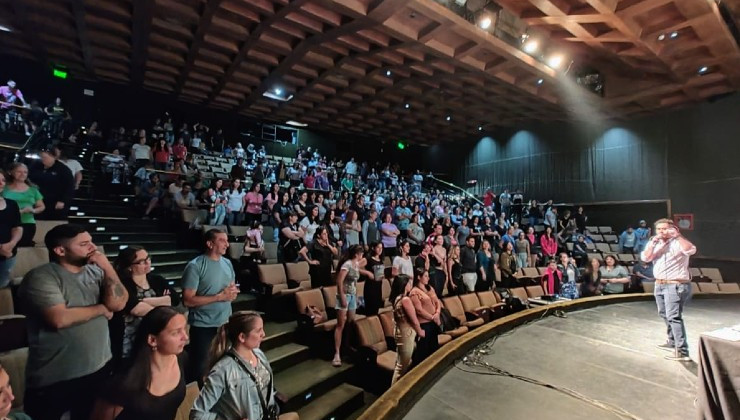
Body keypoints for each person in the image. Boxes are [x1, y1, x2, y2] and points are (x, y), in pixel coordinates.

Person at [18, 224, 129, 420]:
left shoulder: (95, 272)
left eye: (91, 242)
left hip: (98, 368)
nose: (92, 247)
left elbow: (119, 303)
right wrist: (103, 309)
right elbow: (59, 318)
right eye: (84, 244)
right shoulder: (41, 277)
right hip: (56, 377)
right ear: (60, 250)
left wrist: (107, 267)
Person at [191, 311, 298, 420]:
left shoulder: (259, 354)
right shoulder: (222, 370)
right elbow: (197, 414)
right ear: (242, 337)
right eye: (258, 331)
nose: (263, 334)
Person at [90, 307, 188, 420]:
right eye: (176, 333)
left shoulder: (181, 358)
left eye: (184, 329)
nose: (185, 337)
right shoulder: (125, 382)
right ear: (152, 340)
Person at [182, 229, 239, 384]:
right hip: (203, 326)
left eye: (227, 240)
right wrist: (219, 297)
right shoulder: (195, 266)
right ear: (209, 243)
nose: (227, 244)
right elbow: (187, 300)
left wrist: (232, 293)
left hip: (224, 323)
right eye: (222, 240)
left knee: (221, 365)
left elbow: (231, 288)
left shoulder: (227, 263)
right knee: (200, 369)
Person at [111, 246, 178, 368]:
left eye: (148, 258)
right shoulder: (122, 284)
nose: (148, 262)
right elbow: (136, 309)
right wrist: (162, 302)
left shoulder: (157, 280)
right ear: (130, 267)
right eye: (141, 261)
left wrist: (144, 300)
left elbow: (174, 299)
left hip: (155, 339)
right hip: (130, 340)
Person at [640, 218, 696, 361]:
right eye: (659, 229)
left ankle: (682, 351)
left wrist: (677, 236)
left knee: (674, 317)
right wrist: (653, 243)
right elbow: (646, 258)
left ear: (673, 229)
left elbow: (690, 250)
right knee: (663, 313)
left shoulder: (679, 242)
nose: (662, 232)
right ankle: (672, 341)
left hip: (675, 285)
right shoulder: (655, 242)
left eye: (665, 228)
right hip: (659, 284)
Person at [332, 245, 373, 367]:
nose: (362, 255)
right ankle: (337, 353)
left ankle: (347, 345)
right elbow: (339, 281)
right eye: (361, 253)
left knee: (351, 322)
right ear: (356, 254)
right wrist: (343, 296)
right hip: (344, 295)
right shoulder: (347, 264)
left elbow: (355, 280)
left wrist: (356, 295)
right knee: (341, 324)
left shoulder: (355, 265)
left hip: (352, 296)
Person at [390, 274, 425, 385]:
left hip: (400, 332)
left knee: (402, 362)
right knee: (401, 367)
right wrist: (420, 332)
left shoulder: (397, 298)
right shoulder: (405, 300)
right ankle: (393, 395)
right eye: (409, 283)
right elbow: (414, 320)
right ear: (404, 285)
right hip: (406, 334)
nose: (411, 285)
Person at [3, 163, 44, 246]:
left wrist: (33, 210)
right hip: (7, 224)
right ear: (11, 172)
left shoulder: (33, 190)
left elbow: (41, 206)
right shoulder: (4, 189)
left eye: (25, 172)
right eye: (19, 172)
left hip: (27, 223)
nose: (22, 174)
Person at [29, 149, 74, 220]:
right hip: (37, 198)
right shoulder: (36, 166)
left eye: (45, 157)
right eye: (41, 157)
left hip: (54, 201)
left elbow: (69, 187)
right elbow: (29, 178)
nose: (42, 159)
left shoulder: (64, 170)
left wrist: (63, 200)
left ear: (53, 157)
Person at [409, 268, 441, 367]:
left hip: (434, 321)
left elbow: (437, 302)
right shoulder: (414, 292)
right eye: (426, 276)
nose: (428, 278)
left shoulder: (430, 288)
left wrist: (437, 313)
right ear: (419, 277)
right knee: (424, 349)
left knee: (434, 346)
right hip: (424, 323)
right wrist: (432, 317)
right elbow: (419, 310)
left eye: (428, 276)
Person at [0, 172, 22, 288]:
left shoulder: (12, 204)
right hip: (3, 251)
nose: (1, 183)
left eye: (3, 180)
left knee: (2, 287)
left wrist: (11, 244)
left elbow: (17, 227)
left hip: (7, 254)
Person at [364, 242, 386, 316]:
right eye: (378, 247)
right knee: (370, 310)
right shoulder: (368, 259)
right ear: (373, 248)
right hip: (370, 287)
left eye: (381, 248)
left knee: (376, 309)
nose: (380, 249)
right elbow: (356, 267)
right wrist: (367, 273)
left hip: (378, 287)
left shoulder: (381, 260)